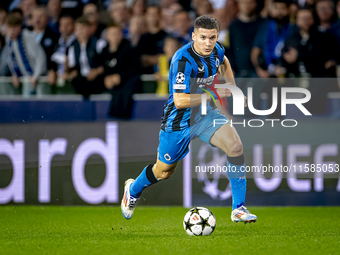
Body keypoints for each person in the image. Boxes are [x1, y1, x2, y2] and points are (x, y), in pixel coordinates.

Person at [121, 15, 257, 223]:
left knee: (235, 146)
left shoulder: (217, 50)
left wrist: (232, 87)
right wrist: (214, 94)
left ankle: (238, 208)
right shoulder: (182, 60)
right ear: (193, 36)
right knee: (163, 172)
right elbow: (180, 101)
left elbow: (225, 63)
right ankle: (133, 189)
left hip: (205, 115)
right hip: (178, 122)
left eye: (212, 38)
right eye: (203, 37)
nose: (208, 43)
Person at [102, 23, 140, 119]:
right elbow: (101, 67)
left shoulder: (128, 49)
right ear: (108, 36)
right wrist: (106, 78)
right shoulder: (104, 51)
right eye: (113, 34)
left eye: (118, 33)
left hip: (125, 83)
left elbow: (135, 69)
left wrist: (120, 77)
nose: (116, 36)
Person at [2, 13, 46, 95]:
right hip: (26, 79)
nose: (11, 31)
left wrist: (36, 76)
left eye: (14, 28)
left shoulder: (28, 37)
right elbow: (11, 59)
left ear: (19, 27)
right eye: (9, 27)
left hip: (39, 78)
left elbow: (41, 58)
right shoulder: (9, 39)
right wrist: (14, 74)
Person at [65, 16, 106, 99]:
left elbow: (106, 63)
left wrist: (96, 71)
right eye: (77, 29)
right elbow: (73, 68)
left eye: (82, 28)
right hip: (82, 81)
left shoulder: (99, 44)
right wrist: (68, 71)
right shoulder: (73, 48)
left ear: (89, 29)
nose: (80, 32)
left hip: (97, 80)